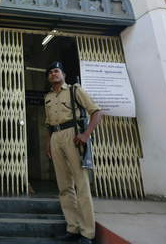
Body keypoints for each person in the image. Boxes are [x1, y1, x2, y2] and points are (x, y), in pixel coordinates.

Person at [44, 62, 102, 244]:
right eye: (51, 72)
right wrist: (48, 142)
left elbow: (96, 111)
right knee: (64, 186)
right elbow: (48, 123)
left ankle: (87, 233)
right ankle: (73, 228)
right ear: (48, 77)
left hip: (73, 136)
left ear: (64, 74)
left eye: (56, 71)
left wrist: (85, 134)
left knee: (81, 184)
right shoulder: (47, 97)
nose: (53, 74)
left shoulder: (75, 90)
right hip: (55, 137)